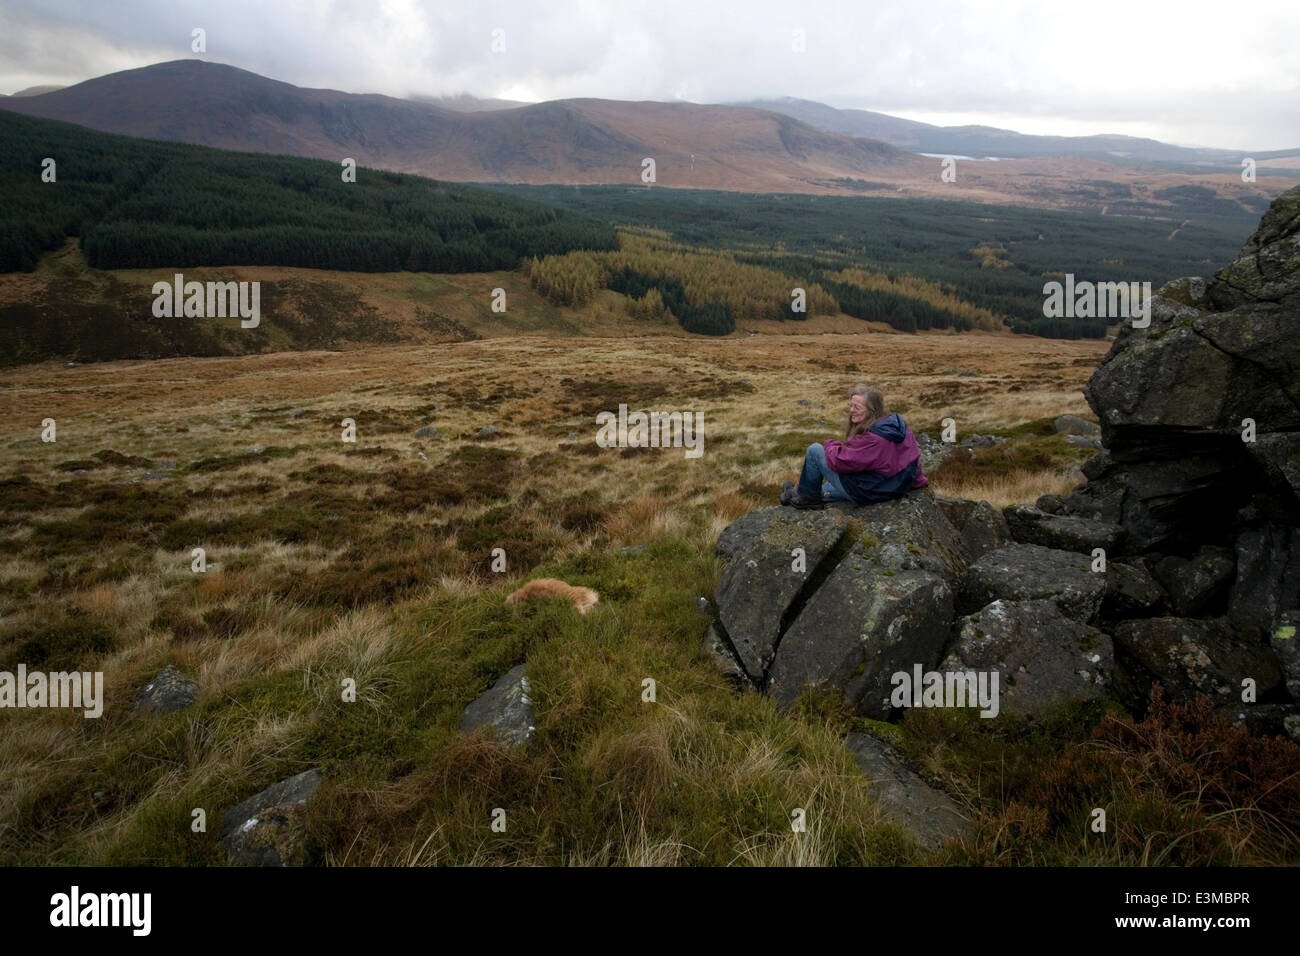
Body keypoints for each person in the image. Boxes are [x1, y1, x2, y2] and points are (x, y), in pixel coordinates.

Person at [780, 383, 928, 509]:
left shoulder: (873, 439)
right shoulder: (900, 427)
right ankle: (795, 493)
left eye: (857, 407)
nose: (851, 411)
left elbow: (839, 461)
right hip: (886, 487)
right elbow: (912, 459)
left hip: (869, 492)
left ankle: (808, 499)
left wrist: (830, 443)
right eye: (851, 406)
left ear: (872, 410)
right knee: (827, 489)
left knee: (815, 450)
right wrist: (919, 482)